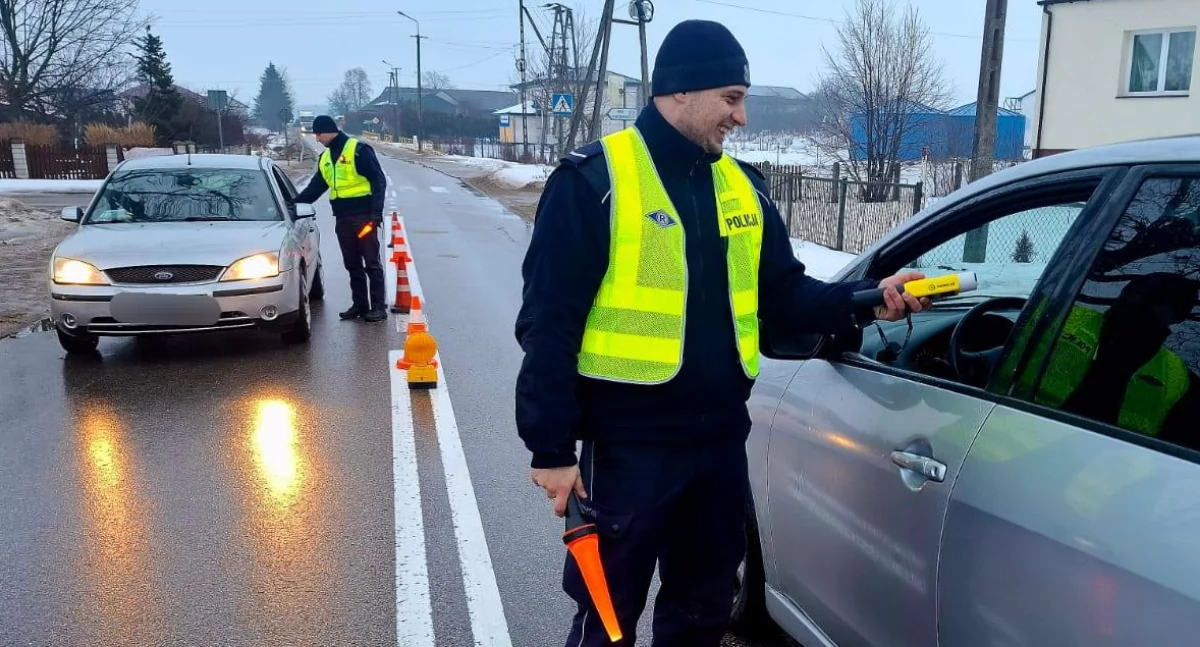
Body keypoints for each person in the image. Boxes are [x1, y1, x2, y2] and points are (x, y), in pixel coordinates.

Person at [514, 19, 930, 647]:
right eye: (731, 99)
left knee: (705, 610)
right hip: (629, 451)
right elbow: (548, 323)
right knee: (608, 617)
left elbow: (785, 298)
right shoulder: (596, 182)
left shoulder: (742, 189)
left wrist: (871, 300)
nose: (741, 118)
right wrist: (550, 449)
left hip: (718, 447)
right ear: (680, 91)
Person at [295, 115, 389, 322]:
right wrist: (293, 203)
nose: (317, 139)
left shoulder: (358, 150)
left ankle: (379, 307)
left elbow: (378, 181)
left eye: (318, 134)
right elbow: (315, 188)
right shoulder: (325, 159)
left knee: (371, 263)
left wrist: (376, 214)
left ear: (329, 131)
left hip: (364, 218)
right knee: (352, 264)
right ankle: (360, 304)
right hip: (343, 219)